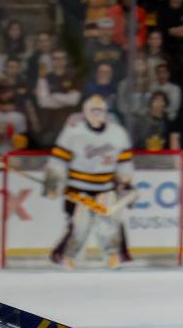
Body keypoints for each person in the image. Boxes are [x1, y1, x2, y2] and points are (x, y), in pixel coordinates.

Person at [45, 93, 135, 267]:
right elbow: (58, 160)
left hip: (105, 188)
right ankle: (68, 256)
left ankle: (112, 255)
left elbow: (124, 162)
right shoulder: (73, 132)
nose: (96, 114)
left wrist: (126, 180)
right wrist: (53, 183)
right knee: (80, 225)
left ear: (106, 112)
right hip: (78, 188)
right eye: (92, 110)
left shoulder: (118, 133)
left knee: (110, 223)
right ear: (85, 112)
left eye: (100, 110)